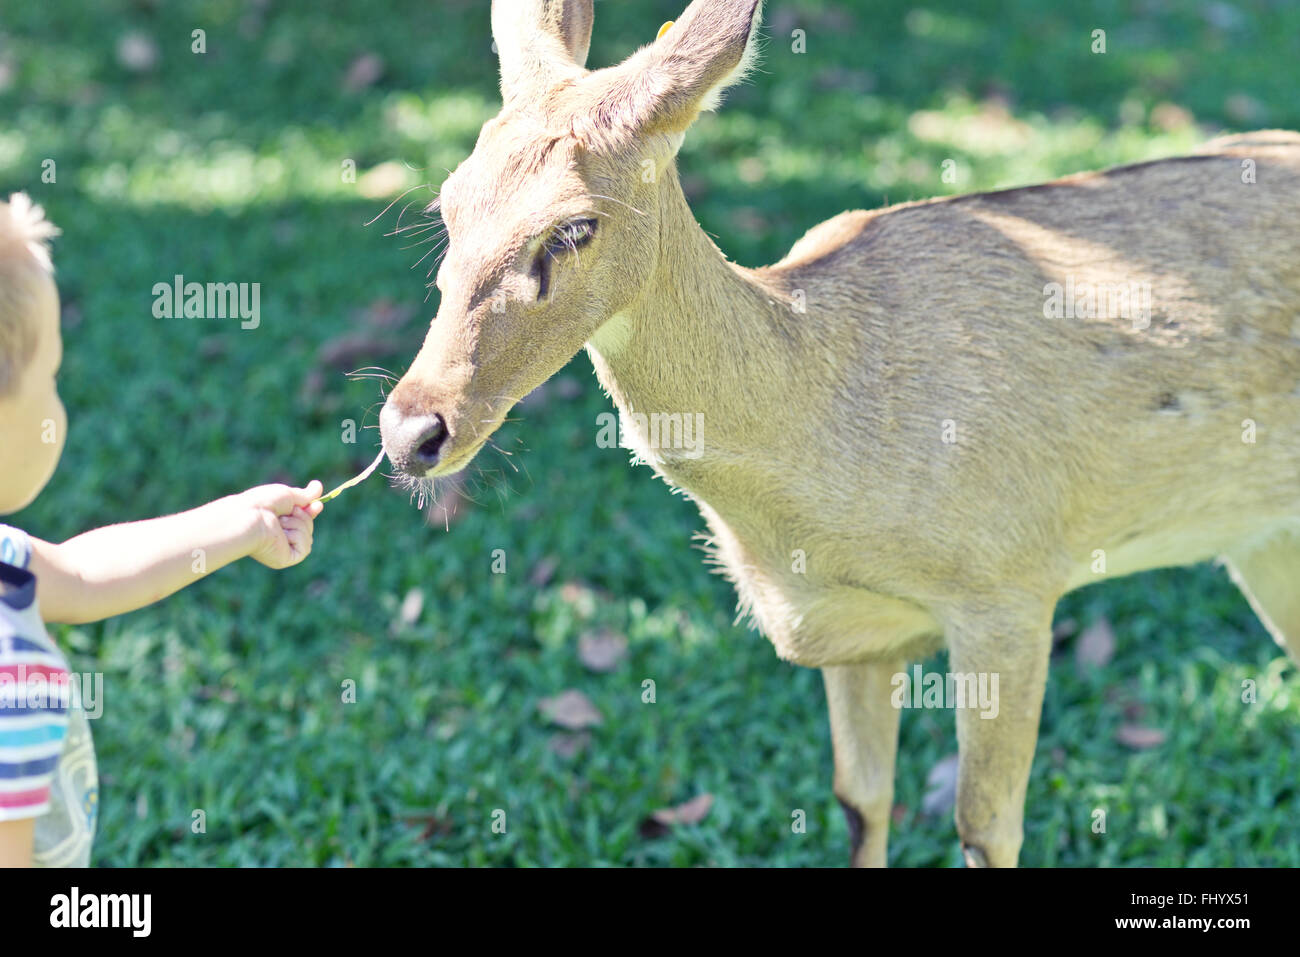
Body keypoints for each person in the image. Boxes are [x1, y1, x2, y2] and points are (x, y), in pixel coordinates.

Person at [0, 193, 324, 866]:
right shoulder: (11, 669)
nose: (59, 400)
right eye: (51, 376)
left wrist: (236, 523)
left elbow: (85, 573)